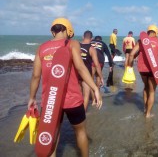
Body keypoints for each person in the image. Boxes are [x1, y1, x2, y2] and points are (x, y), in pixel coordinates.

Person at [28, 18, 102, 157]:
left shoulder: (41, 48)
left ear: (52, 31)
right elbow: (80, 68)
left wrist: (32, 98)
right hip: (72, 99)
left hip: (49, 101)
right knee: (80, 131)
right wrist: (95, 88)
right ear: (68, 31)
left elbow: (35, 76)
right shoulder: (72, 44)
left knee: (52, 135)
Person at [80, 30, 104, 109]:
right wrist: (101, 77)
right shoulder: (91, 49)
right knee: (86, 96)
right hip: (86, 74)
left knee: (77, 94)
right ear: (91, 38)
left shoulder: (76, 45)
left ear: (83, 37)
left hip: (76, 73)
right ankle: (82, 115)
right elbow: (97, 65)